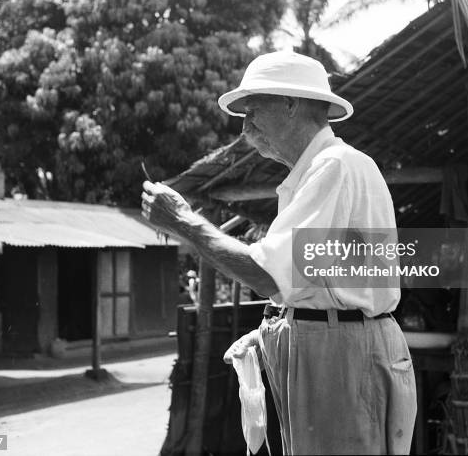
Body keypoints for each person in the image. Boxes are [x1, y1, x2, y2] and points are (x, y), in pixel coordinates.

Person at [141, 51, 417, 455]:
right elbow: (314, 285)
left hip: (340, 355)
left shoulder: (335, 167)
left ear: (291, 103)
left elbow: (270, 275)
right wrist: (277, 327)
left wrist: (185, 222)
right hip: (330, 347)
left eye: (253, 109)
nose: (245, 124)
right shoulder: (319, 172)